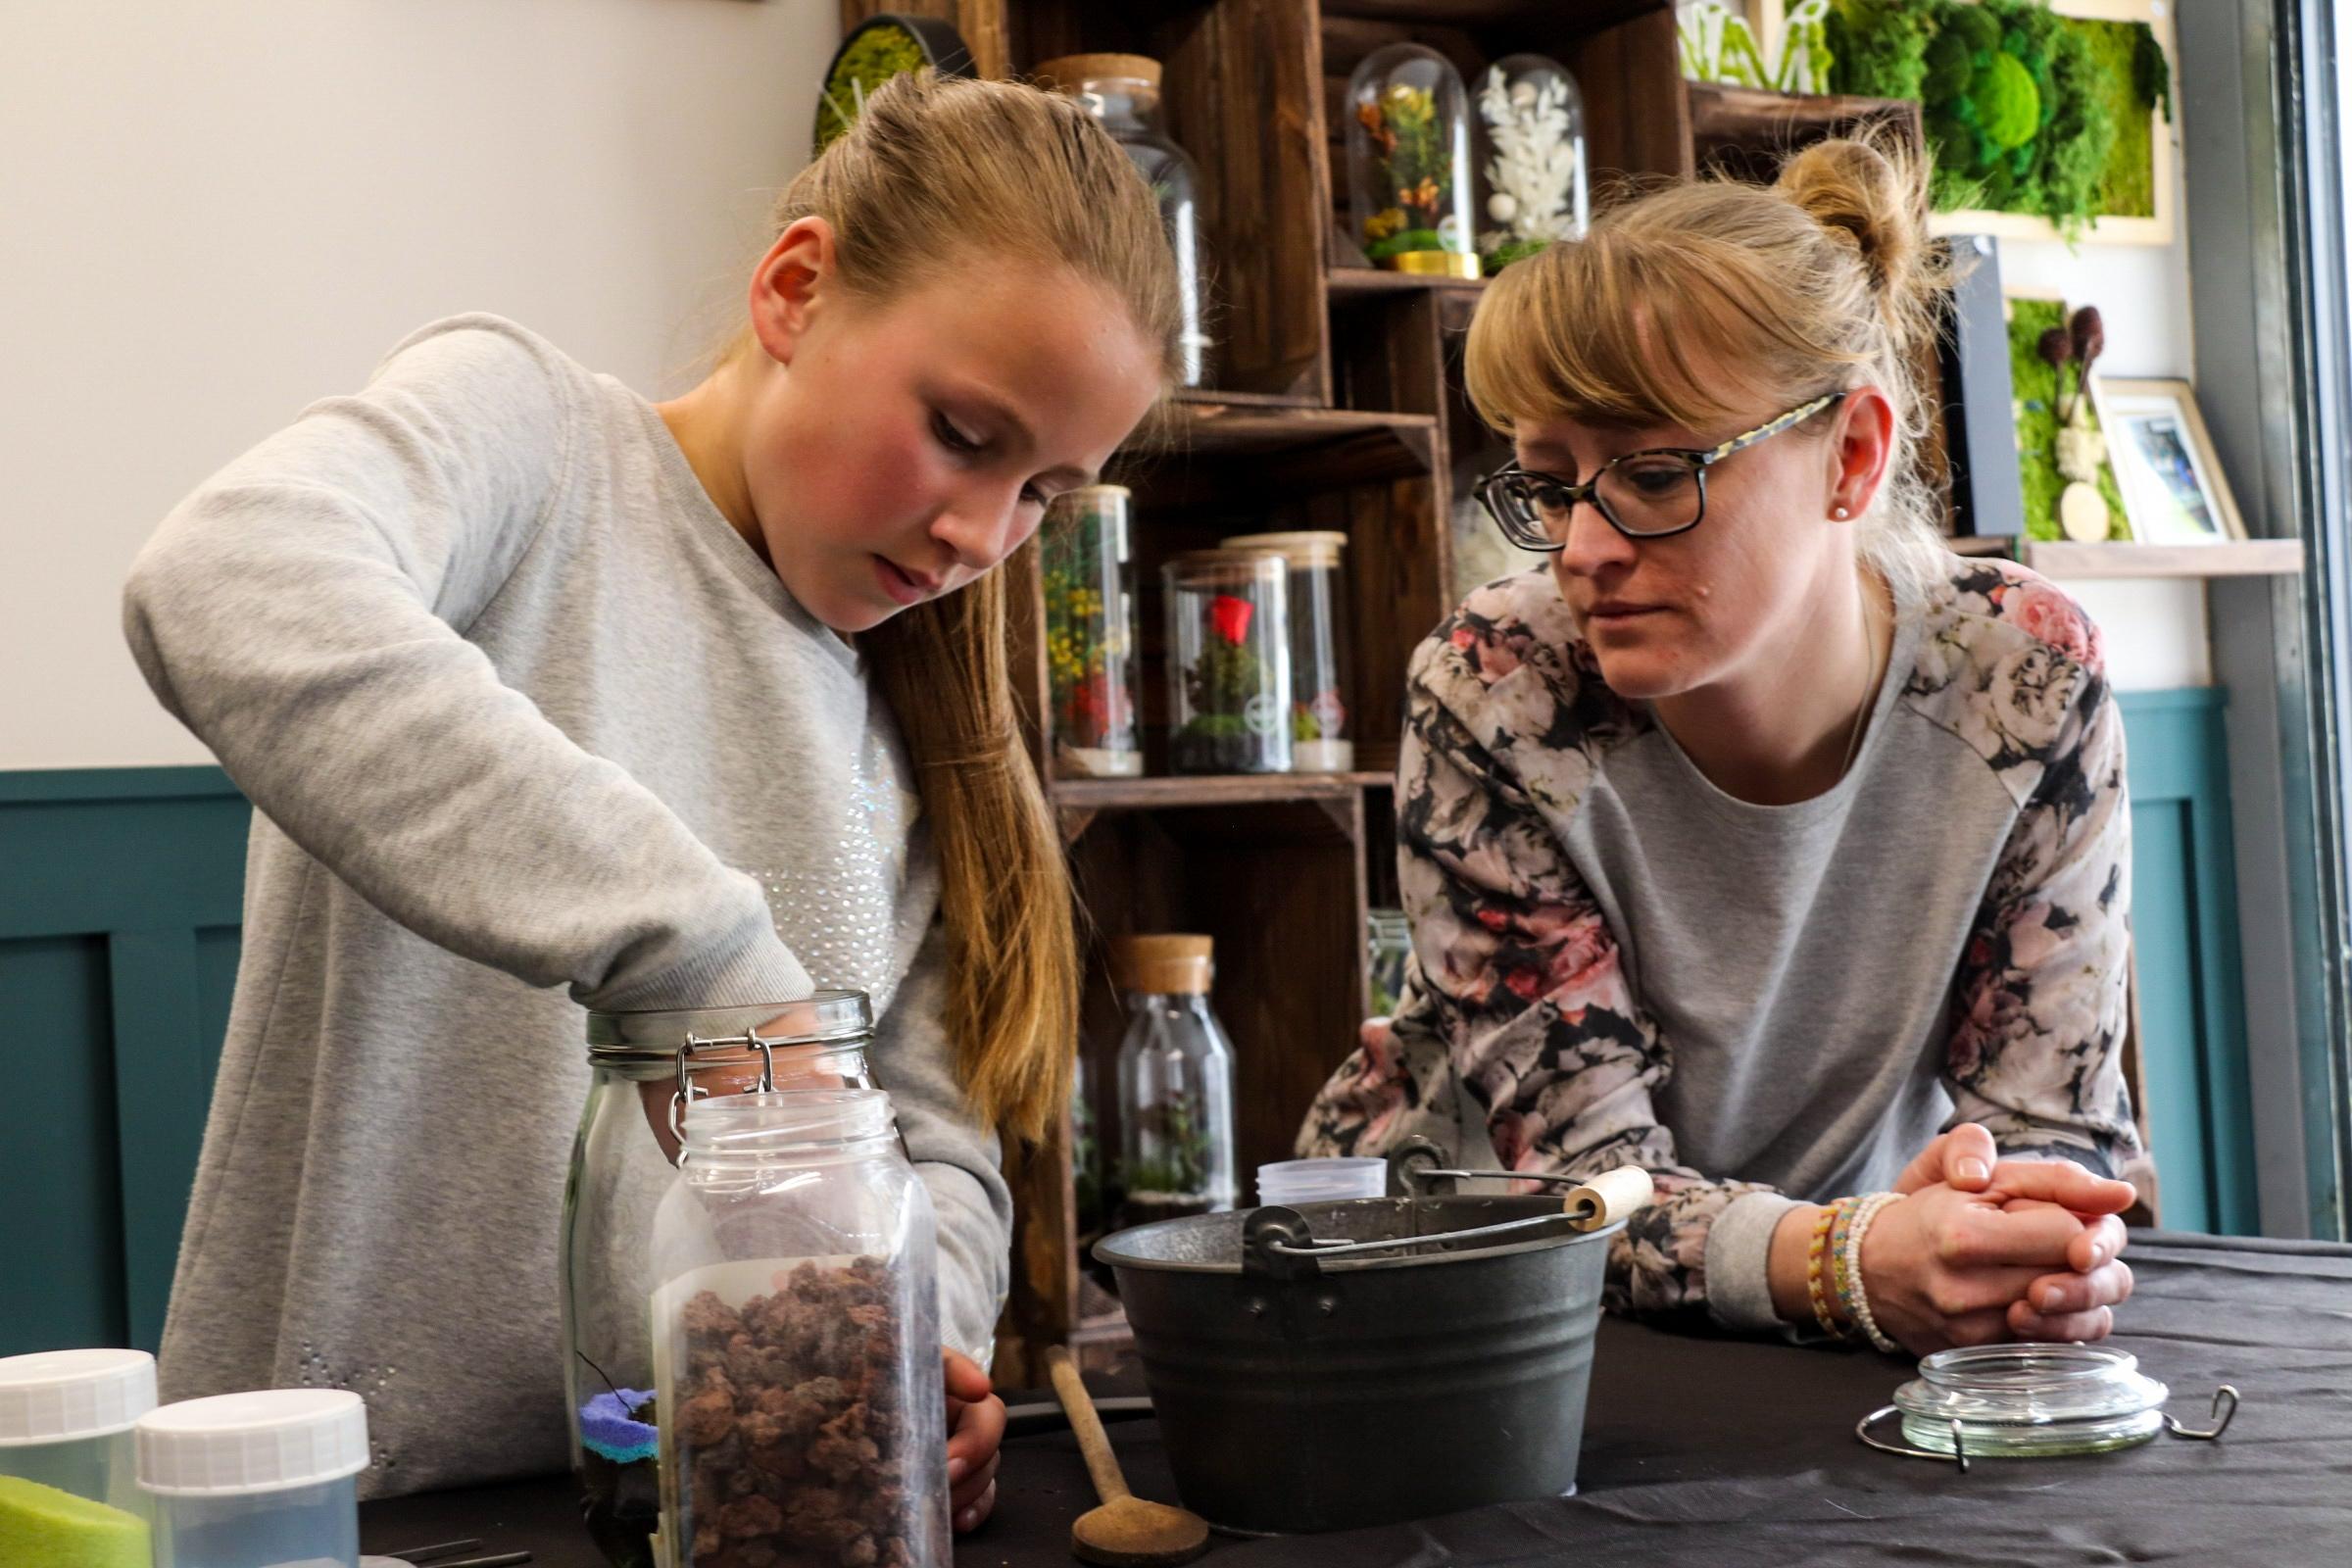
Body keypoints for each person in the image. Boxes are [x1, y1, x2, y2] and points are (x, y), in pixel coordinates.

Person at [122, 72, 1175, 1529]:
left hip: (712, 1516)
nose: (981, 536)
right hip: (351, 1507)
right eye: (961, 432)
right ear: (797, 289)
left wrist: (909, 1355)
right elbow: (223, 579)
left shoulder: (921, 726)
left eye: (1045, 494)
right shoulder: (530, 439)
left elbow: (930, 1143)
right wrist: (710, 971)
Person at [1298, 134, 2145, 1354]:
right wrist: (1852, 1257)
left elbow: (2052, 1133)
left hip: (1845, 1306)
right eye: (1550, 483)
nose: (1583, 548)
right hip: (1464, 1318)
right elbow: (1589, 1187)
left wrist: (2019, 1236)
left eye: (1651, 473)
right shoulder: (1497, 691)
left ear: (1850, 454)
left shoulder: (2024, 680)